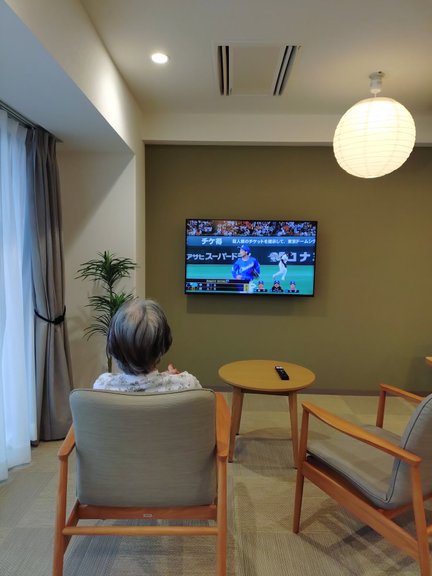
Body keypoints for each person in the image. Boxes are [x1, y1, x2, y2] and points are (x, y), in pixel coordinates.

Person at [93, 298, 201, 393]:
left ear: (114, 345)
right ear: (163, 344)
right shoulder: (187, 385)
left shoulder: (102, 386)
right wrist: (166, 379)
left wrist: (163, 377)